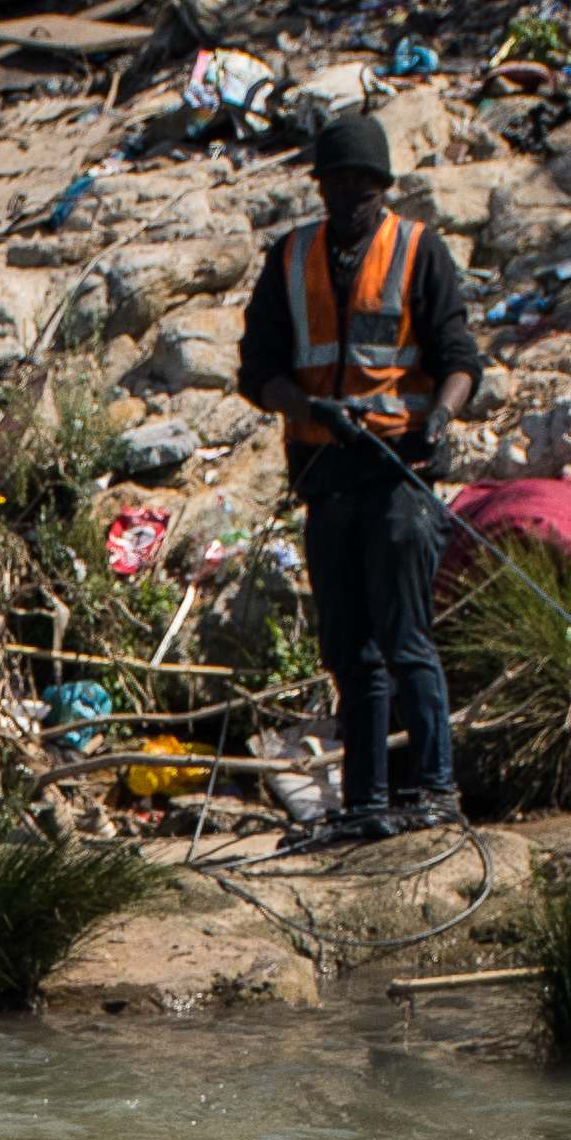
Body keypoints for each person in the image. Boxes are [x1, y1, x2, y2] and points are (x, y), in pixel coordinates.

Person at [235, 100, 493, 847]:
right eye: (336, 184)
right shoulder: (289, 257)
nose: (348, 198)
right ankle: (366, 802)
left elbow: (459, 360)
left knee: (407, 640)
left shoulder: (420, 251)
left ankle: (436, 792)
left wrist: (439, 419)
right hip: (325, 475)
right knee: (351, 652)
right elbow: (258, 372)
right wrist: (312, 404)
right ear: (320, 187)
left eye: (363, 185)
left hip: (398, 476)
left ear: (383, 188)